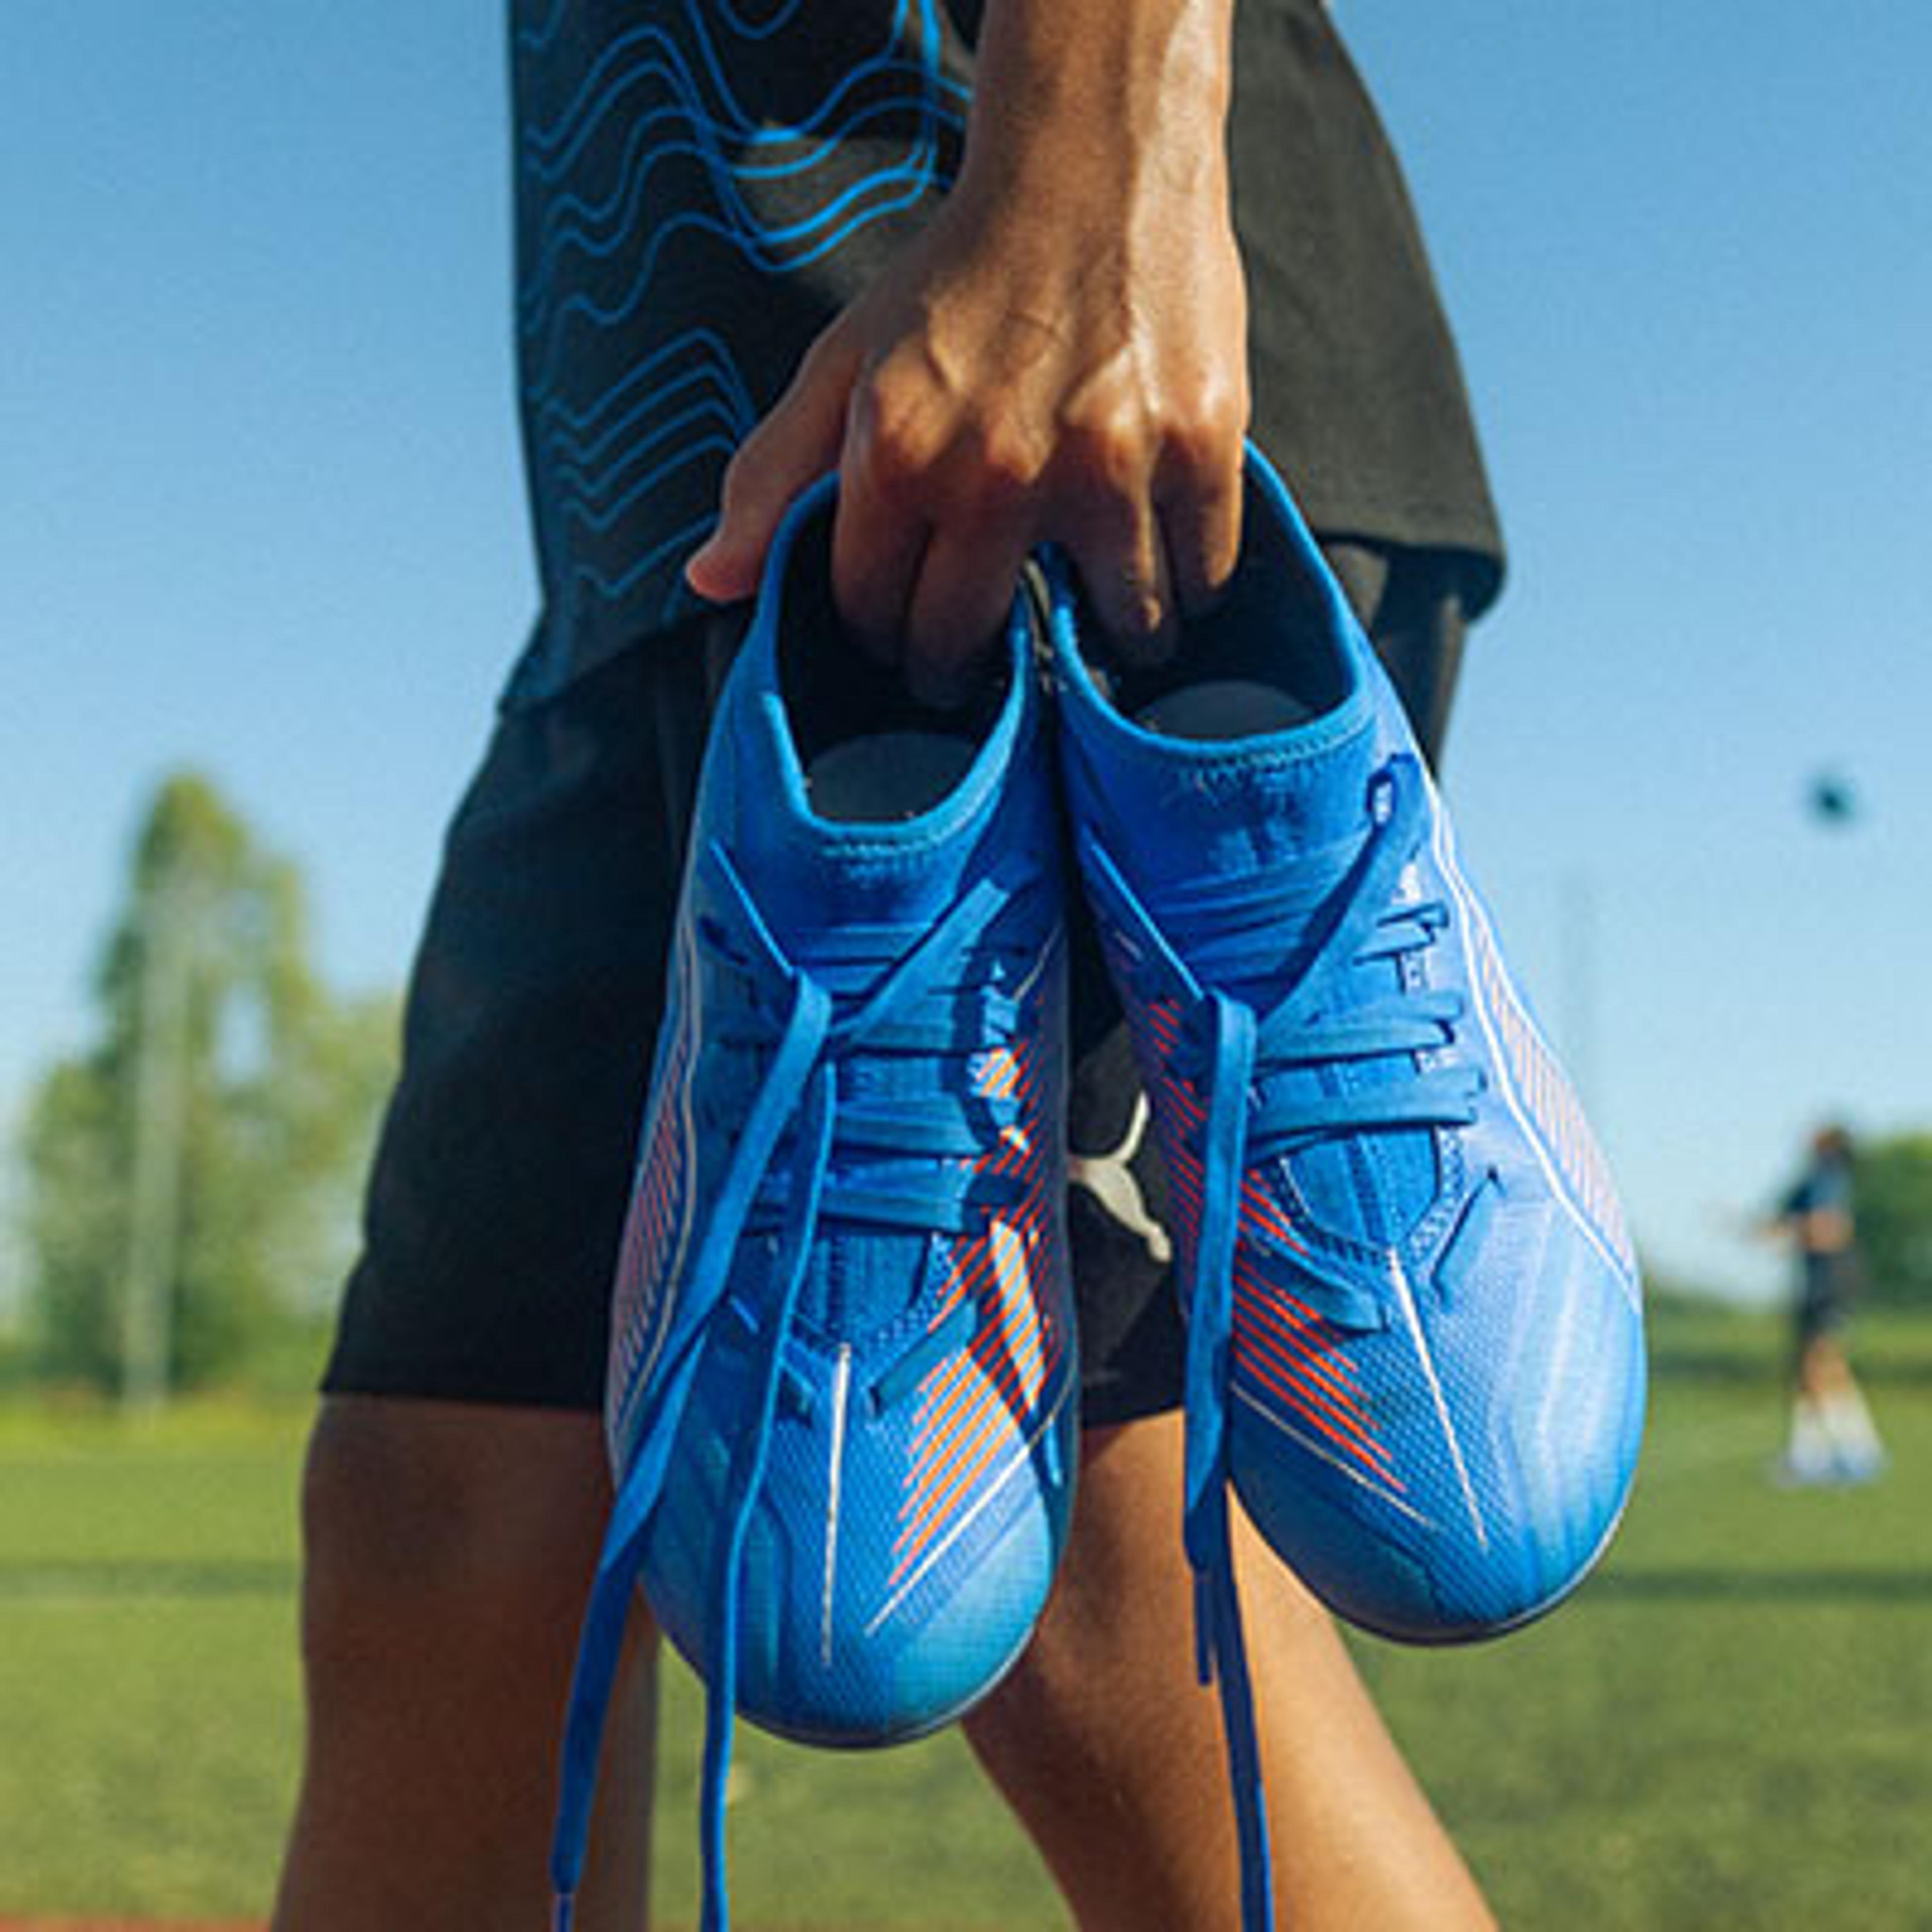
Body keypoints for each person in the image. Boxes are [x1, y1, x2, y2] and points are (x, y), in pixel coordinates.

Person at [272, 1, 1506, 1925]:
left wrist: (1096, 165)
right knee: (448, 1512)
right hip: (654, 514)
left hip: (1025, 360)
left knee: (1053, 1560)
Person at [1767, 1124, 1885, 1487]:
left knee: (1821, 1367)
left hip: (1831, 1285)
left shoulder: (1829, 1178)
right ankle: (1812, 1457)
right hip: (1818, 1286)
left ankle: (1856, 1454)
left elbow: (1830, 1230)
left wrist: (1791, 1231)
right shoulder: (1817, 1180)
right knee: (1812, 1372)